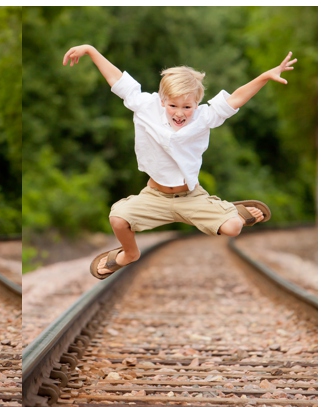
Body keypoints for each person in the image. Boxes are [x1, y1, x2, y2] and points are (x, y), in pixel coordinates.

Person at [62, 45, 296, 279]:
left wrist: (265, 76)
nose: (180, 113)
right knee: (118, 218)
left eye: (187, 107)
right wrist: (91, 51)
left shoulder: (205, 116)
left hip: (191, 197)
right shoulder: (145, 106)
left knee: (233, 228)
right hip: (155, 196)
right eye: (173, 105)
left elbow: (236, 98)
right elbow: (117, 79)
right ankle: (130, 255)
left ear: (197, 104)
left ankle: (227, 211)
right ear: (163, 101)